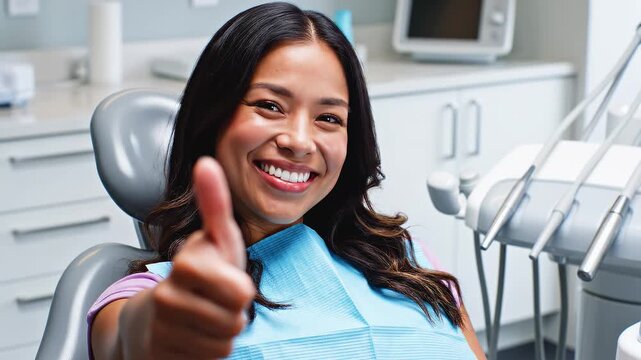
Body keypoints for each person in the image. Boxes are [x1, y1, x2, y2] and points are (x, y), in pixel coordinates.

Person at [88, 2, 485, 359]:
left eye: (328, 118)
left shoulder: (409, 265)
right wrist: (157, 327)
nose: (299, 141)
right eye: (269, 106)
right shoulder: (152, 294)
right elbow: (126, 340)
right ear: (212, 120)